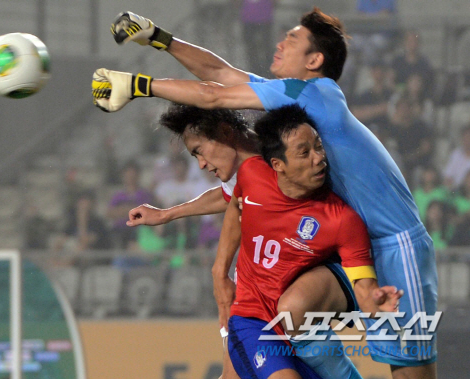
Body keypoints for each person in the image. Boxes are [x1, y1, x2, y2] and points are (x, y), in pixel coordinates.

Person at [95, 7, 437, 378]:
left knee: (408, 372)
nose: (279, 42)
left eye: (291, 39)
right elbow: (219, 73)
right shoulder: (295, 98)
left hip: (394, 244)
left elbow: (212, 94)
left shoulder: (314, 95)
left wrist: (137, 86)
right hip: (352, 246)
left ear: (314, 59)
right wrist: (160, 39)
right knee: (292, 309)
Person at [130, 103, 400, 379]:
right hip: (253, 313)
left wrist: (376, 304)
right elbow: (234, 201)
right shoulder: (250, 174)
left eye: (318, 148)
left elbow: (364, 286)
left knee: (288, 314)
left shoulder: (337, 213)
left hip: (305, 306)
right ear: (277, 165)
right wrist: (216, 267)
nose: (318, 158)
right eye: (305, 152)